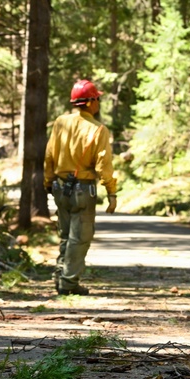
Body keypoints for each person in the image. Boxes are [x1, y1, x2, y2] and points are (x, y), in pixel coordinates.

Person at [43, 79, 118, 295]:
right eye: (98, 99)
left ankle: (60, 275)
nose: (99, 103)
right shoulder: (97, 129)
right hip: (82, 189)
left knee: (66, 234)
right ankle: (68, 282)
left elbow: (49, 155)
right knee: (80, 237)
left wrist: (48, 182)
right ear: (90, 102)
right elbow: (104, 164)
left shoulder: (60, 122)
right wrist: (111, 192)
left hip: (59, 186)